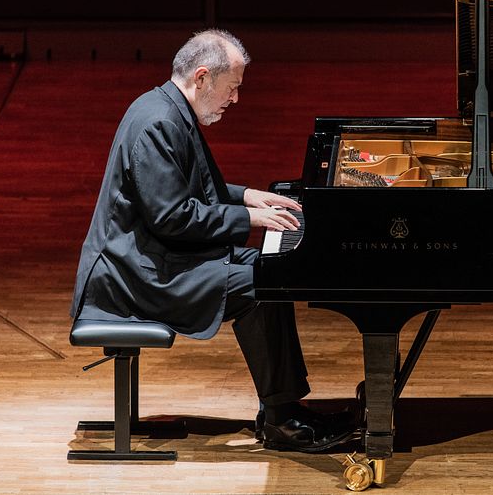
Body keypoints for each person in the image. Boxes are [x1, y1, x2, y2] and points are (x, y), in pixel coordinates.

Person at [69, 29, 354, 452]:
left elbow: (194, 189)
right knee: (262, 287)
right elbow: (173, 217)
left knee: (266, 271)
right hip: (135, 277)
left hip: (151, 257)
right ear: (202, 77)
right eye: (232, 87)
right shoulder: (158, 122)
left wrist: (246, 195)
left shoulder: (169, 109)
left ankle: (282, 408)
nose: (235, 99)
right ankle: (283, 418)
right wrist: (251, 218)